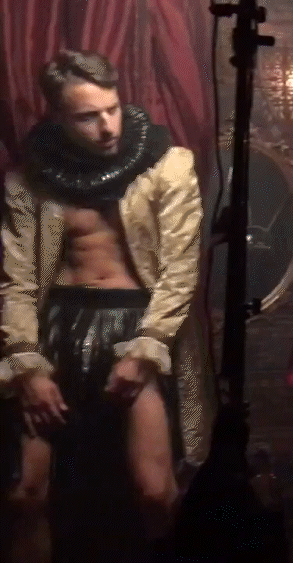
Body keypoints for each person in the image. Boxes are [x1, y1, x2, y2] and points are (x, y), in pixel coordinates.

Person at [0, 50, 213, 562]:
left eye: (112, 109)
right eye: (87, 116)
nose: (106, 126)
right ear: (56, 116)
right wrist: (26, 364)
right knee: (24, 494)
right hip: (54, 329)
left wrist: (145, 350)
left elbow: (181, 269)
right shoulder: (29, 180)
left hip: (136, 325)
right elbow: (15, 280)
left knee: (154, 492)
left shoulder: (168, 165)